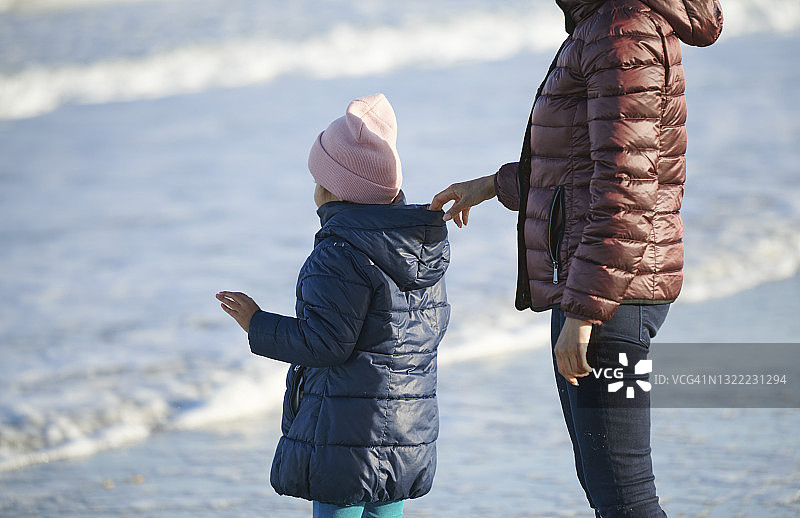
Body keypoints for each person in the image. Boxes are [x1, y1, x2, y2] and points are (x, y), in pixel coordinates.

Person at [429, 1, 722, 517]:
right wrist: (489, 186)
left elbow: (625, 188)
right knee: (608, 486)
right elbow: (578, 164)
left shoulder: (622, 33)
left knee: (625, 496)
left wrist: (586, 312)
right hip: (604, 284)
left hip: (609, 297)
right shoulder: (607, 25)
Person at [217, 93, 450, 518]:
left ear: (334, 188)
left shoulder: (339, 251)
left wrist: (257, 324)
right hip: (406, 426)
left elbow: (325, 343)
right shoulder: (417, 246)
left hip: (347, 431)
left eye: (318, 178)